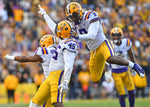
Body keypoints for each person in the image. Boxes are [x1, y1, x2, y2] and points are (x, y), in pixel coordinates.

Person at [38, 2, 145, 83]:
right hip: (93, 51)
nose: (73, 19)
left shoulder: (90, 15)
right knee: (95, 79)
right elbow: (56, 29)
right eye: (71, 17)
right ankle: (106, 69)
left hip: (102, 44)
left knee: (110, 58)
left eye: (74, 16)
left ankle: (134, 65)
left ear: (79, 12)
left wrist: (77, 37)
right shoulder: (72, 25)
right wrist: (44, 14)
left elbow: (92, 35)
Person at [28, 20, 79, 107]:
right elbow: (54, 27)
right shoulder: (62, 42)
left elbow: (68, 64)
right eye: (68, 30)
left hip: (59, 74)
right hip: (51, 76)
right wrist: (44, 15)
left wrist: (65, 82)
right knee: (35, 102)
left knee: (56, 102)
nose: (72, 32)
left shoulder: (69, 43)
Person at [5, 34, 56, 107]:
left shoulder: (44, 51)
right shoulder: (59, 50)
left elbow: (25, 58)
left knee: (34, 104)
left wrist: (12, 58)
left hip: (49, 81)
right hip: (59, 81)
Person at [105, 27, 138, 107]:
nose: (116, 37)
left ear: (121, 35)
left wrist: (134, 65)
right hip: (116, 73)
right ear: (111, 36)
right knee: (122, 94)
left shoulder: (126, 42)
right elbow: (106, 59)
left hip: (126, 71)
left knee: (132, 92)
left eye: (117, 35)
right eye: (114, 35)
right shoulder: (110, 44)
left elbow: (130, 54)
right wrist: (106, 72)